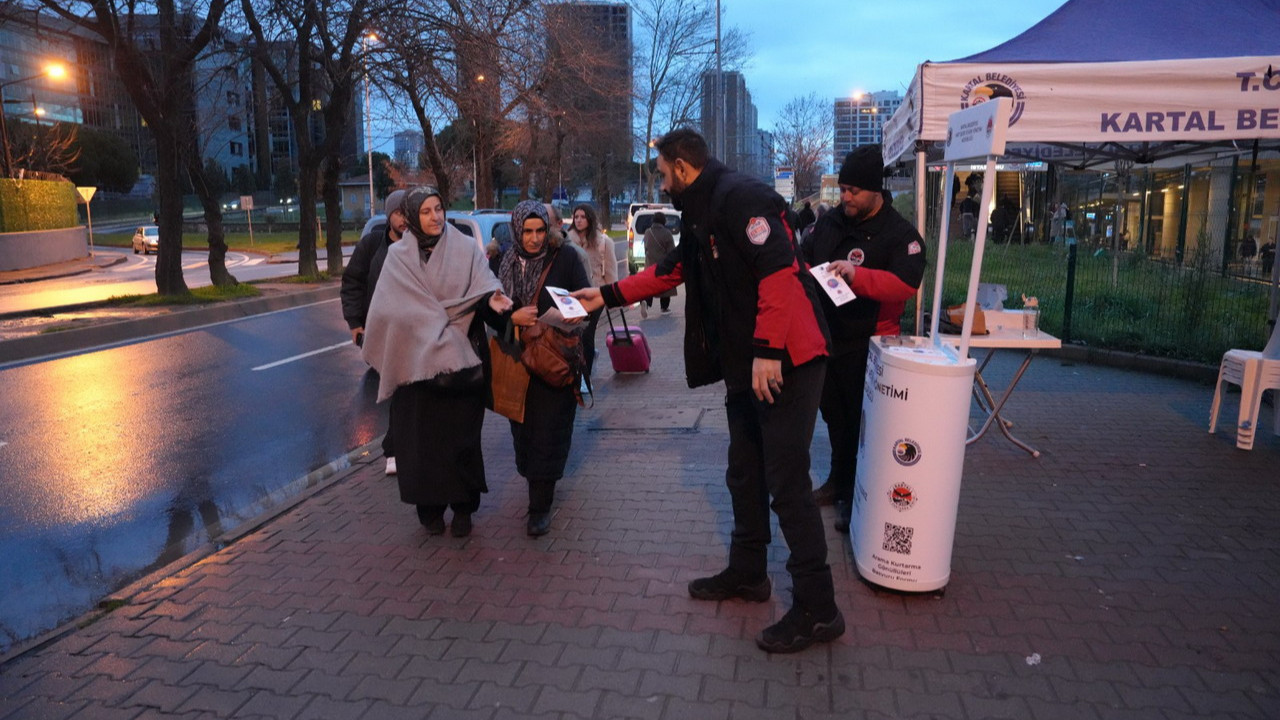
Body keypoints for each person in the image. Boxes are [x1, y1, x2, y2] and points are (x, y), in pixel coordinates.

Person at [572, 128, 843, 654]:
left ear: (681, 166)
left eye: (662, 172)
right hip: (750, 363)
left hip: (787, 359)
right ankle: (749, 571)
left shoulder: (741, 197)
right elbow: (671, 271)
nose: (660, 182)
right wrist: (603, 295)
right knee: (744, 471)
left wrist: (768, 350)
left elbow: (779, 271)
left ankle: (819, 609)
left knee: (787, 482)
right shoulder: (701, 209)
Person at [362, 187, 512, 538]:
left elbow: (485, 288)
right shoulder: (397, 257)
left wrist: (495, 302)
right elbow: (386, 310)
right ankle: (429, 510)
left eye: (439, 208)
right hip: (415, 369)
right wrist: (425, 323)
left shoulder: (465, 248)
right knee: (421, 447)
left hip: (461, 366)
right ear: (413, 217)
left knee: (462, 443)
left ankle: (463, 509)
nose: (435, 217)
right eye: (426, 211)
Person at [803, 145, 927, 534]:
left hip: (870, 343)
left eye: (854, 191)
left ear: (875, 189)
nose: (846, 198)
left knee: (863, 423)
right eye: (843, 189)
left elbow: (905, 284)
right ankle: (838, 482)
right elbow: (805, 257)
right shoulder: (830, 222)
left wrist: (859, 277)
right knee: (835, 417)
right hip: (827, 338)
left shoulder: (900, 234)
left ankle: (856, 496)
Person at [495, 200, 591, 537]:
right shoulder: (505, 261)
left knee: (549, 432)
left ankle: (540, 507)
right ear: (516, 230)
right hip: (516, 362)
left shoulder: (565, 257)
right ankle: (534, 483)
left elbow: (584, 301)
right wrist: (512, 317)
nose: (534, 238)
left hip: (554, 362)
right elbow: (490, 308)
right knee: (523, 432)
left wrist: (572, 318)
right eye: (527, 231)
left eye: (539, 230)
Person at [340, 189, 408, 475]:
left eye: (409, 213)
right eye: (399, 213)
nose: (404, 219)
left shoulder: (422, 247)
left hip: (415, 333)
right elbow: (352, 283)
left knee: (409, 393)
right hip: (382, 333)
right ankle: (394, 451)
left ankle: (399, 448)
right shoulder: (371, 245)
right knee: (395, 391)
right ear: (389, 215)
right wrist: (355, 322)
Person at [566, 203, 617, 376]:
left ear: (590, 219)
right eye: (576, 217)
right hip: (573, 295)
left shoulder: (603, 242)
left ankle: (585, 377)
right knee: (573, 336)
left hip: (596, 294)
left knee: (587, 334)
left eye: (583, 217)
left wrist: (612, 297)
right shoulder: (566, 242)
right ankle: (576, 369)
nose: (579, 220)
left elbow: (610, 272)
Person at [641, 211, 676, 315]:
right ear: (663, 221)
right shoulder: (667, 233)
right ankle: (664, 307)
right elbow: (671, 251)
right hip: (662, 266)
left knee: (649, 286)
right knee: (665, 286)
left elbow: (646, 248)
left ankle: (646, 302)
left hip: (649, 265)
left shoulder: (647, 232)